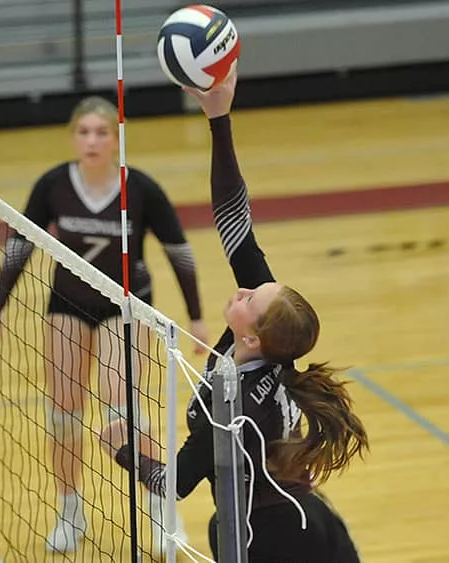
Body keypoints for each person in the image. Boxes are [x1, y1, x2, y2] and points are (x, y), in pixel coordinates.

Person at [100, 69, 368, 562]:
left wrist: (119, 448)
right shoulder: (264, 348)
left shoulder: (237, 408)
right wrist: (218, 117)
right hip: (308, 520)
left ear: (252, 338)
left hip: (267, 540)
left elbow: (174, 483)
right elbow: (233, 215)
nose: (244, 288)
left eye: (251, 300)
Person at [0, 96, 208, 555]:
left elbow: (178, 250)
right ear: (72, 137)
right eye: (83, 132)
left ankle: (162, 507)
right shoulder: (53, 186)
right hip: (67, 304)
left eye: (101, 132)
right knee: (63, 411)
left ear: (115, 139)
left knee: (121, 403)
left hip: (127, 306)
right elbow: (20, 245)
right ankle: (70, 509)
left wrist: (197, 315)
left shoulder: (139, 188)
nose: (92, 140)